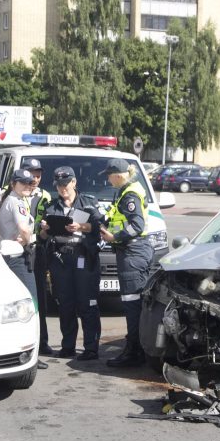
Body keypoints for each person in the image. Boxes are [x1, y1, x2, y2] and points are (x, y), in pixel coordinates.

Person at [40, 166, 103, 360]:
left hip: (83, 256)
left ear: (74, 182)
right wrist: (45, 228)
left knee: (87, 303)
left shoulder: (88, 203)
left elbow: (101, 227)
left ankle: (91, 348)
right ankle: (68, 346)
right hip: (61, 259)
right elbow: (42, 236)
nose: (62, 188)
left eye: (65, 184)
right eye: (59, 185)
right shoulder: (51, 207)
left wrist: (81, 226)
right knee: (65, 304)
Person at [0, 168, 47, 369]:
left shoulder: (12, 199)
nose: (27, 186)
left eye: (29, 183)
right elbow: (23, 230)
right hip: (18, 256)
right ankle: (32, 354)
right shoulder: (15, 201)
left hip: (11, 255)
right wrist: (32, 235)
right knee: (32, 305)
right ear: (13, 184)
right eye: (22, 183)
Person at [100, 158, 153, 368]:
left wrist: (115, 237)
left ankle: (134, 352)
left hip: (132, 252)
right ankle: (136, 347)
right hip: (135, 251)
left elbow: (137, 226)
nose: (107, 178)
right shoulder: (128, 190)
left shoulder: (129, 194)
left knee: (132, 304)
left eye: (109, 175)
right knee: (135, 303)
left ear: (119, 175)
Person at [23, 157, 55, 357]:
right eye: (31, 174)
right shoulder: (13, 193)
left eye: (38, 175)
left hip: (38, 250)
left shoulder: (45, 196)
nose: (35, 179)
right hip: (18, 252)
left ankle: (42, 342)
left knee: (39, 299)